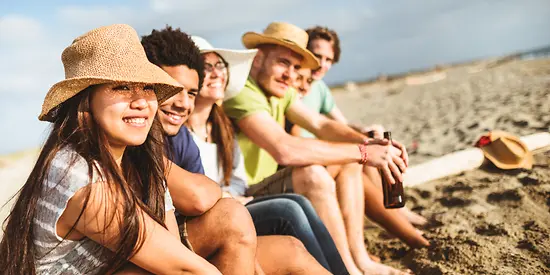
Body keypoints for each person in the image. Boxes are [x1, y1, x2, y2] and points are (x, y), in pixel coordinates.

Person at [0, 24, 222, 275]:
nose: (140, 102)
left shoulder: (140, 161)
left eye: (147, 88)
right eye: (122, 87)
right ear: (85, 101)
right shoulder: (77, 175)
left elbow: (173, 247)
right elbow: (184, 268)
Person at [223, 21, 413, 275]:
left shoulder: (280, 91)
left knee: (349, 162)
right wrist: (365, 153)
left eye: (295, 67)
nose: (290, 75)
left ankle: (361, 261)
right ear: (258, 60)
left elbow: (321, 123)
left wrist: (366, 144)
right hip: (240, 194)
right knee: (313, 175)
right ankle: (347, 269)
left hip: (264, 185)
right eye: (282, 63)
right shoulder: (242, 91)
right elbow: (284, 149)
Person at [141, 26, 331, 275]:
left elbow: (207, 196)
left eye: (191, 93)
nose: (183, 103)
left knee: (292, 247)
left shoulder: (185, 136)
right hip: (149, 253)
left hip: (190, 234)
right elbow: (200, 199)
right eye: (172, 90)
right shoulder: (138, 136)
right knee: (247, 215)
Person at [187, 35, 349, 274]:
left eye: (219, 66)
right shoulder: (180, 129)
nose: (215, 73)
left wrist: (232, 195)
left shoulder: (220, 124)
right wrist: (226, 197)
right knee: (288, 210)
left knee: (298, 202)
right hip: (214, 215)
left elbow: (238, 177)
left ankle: (342, 270)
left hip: (236, 200)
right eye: (206, 67)